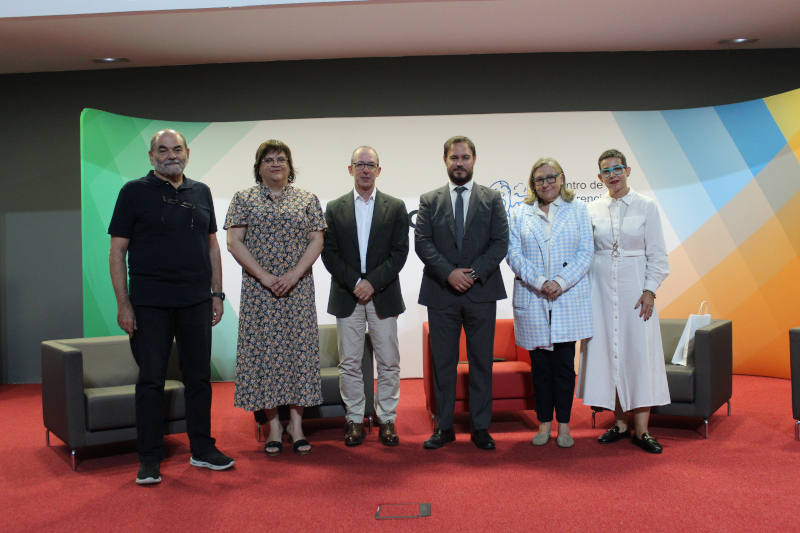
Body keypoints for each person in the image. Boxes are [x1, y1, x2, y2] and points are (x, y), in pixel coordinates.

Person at [108, 129, 234, 485]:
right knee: (150, 381)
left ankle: (202, 450)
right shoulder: (133, 192)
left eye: (176, 149)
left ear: (187, 153)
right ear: (151, 157)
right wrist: (124, 304)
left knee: (198, 379)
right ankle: (149, 458)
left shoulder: (201, 192)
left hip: (195, 301)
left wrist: (217, 294)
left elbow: (212, 247)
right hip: (149, 304)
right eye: (162, 150)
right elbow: (117, 251)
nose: (170, 155)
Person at [225, 140, 326, 456]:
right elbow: (233, 242)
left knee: (298, 353)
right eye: (268, 160)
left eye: (281, 159)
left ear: (290, 165)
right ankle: (273, 427)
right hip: (259, 292)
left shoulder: (307, 199)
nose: (275, 164)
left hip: (297, 291)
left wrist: (294, 274)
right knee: (265, 356)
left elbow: (317, 240)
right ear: (259, 166)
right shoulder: (243, 198)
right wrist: (266, 277)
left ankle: (297, 425)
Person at [415, 135, 509, 450]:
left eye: (465, 157)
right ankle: (444, 428)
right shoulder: (429, 200)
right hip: (441, 293)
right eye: (454, 158)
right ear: (445, 161)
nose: (459, 163)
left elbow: (500, 243)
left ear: (474, 159)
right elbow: (423, 242)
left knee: (482, 362)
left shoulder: (492, 198)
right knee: (443, 364)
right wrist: (449, 274)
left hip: (481, 292)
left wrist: (473, 273)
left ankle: (481, 429)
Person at [576, 149, 671, 454]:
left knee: (637, 355)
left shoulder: (647, 207)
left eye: (618, 169)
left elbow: (658, 256)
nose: (613, 175)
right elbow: (584, 254)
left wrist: (650, 290)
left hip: (636, 293)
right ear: (599, 176)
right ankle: (619, 423)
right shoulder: (591, 209)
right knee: (609, 355)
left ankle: (642, 431)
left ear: (628, 170)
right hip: (599, 293)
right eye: (606, 171)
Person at [321, 146, 409, 446]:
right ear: (350, 170)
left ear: (379, 170)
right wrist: (356, 283)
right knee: (350, 363)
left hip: (383, 295)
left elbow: (399, 254)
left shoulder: (395, 207)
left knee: (388, 362)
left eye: (371, 164)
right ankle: (355, 420)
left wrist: (371, 283)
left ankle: (387, 420)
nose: (365, 169)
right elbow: (329, 254)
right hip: (348, 295)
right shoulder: (334, 207)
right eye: (360, 164)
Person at [507, 157, 593, 448]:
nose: (546, 183)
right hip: (534, 298)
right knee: (540, 368)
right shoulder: (520, 213)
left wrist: (560, 282)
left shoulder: (579, 210)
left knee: (564, 368)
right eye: (539, 179)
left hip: (567, 299)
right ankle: (544, 423)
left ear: (562, 178)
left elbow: (586, 253)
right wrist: (541, 282)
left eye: (550, 177)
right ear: (533, 184)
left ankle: (565, 426)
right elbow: (514, 255)